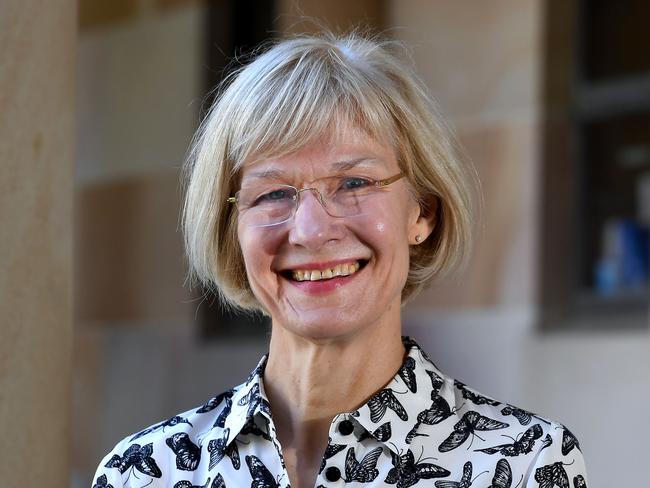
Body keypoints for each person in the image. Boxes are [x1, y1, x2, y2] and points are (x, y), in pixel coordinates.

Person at [91, 32, 588, 488]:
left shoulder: (524, 466)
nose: (309, 230)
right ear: (232, 230)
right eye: (273, 193)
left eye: (353, 183)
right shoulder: (141, 473)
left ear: (423, 214)